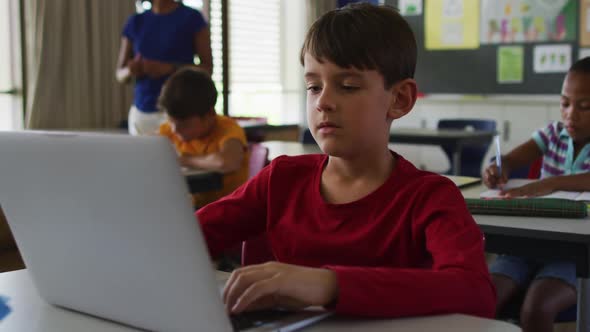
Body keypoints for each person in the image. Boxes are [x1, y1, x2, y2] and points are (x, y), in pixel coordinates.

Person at [196, 3, 495, 318]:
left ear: (399, 99)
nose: (323, 101)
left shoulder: (429, 197)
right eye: (313, 86)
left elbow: (475, 292)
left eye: (348, 86)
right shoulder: (281, 178)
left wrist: (330, 284)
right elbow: (188, 236)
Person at [483, 57, 590, 332]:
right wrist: (498, 168)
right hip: (528, 245)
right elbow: (509, 159)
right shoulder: (553, 134)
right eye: (565, 103)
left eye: (584, 106)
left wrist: (551, 183)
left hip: (575, 254)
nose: (570, 115)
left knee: (536, 309)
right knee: (484, 299)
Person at [116, 0, 213, 135]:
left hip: (181, 115)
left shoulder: (192, 18)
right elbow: (120, 74)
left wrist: (170, 68)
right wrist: (131, 70)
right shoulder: (135, 22)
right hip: (142, 114)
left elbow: (207, 68)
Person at [158, 67, 249, 208]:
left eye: (184, 124)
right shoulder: (171, 129)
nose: (175, 129)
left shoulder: (228, 129)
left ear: (209, 114)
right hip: (193, 210)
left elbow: (226, 161)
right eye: (171, 121)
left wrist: (184, 160)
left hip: (228, 211)